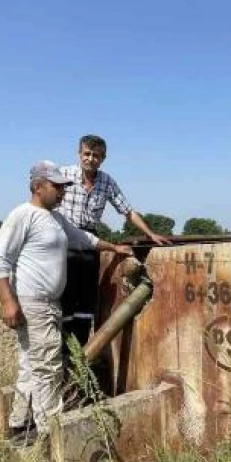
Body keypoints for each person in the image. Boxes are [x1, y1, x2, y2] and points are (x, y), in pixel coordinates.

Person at [0, 160, 132, 442]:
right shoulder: (23, 216)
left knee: (32, 363)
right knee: (49, 366)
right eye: (57, 187)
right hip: (34, 301)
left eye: (64, 187)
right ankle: (50, 433)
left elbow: (85, 239)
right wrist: (8, 302)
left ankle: (20, 424)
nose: (63, 192)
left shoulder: (56, 219)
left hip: (50, 303)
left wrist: (115, 247)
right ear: (38, 186)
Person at [56, 134, 169, 394]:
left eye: (96, 156)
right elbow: (46, 201)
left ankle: (81, 360)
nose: (90, 159)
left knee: (85, 306)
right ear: (78, 154)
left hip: (90, 244)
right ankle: (61, 362)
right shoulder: (63, 175)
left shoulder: (106, 182)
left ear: (103, 158)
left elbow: (126, 210)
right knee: (64, 305)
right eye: (86, 154)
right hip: (63, 243)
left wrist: (150, 234)